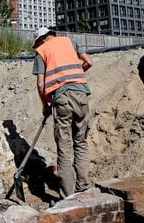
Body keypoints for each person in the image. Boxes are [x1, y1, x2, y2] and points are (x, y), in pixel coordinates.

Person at [31, 26, 93, 198]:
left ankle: (68, 196)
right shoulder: (70, 41)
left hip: (62, 98)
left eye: (37, 43)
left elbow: (40, 84)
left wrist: (45, 105)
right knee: (80, 142)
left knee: (64, 147)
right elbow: (89, 62)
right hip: (81, 94)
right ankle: (84, 187)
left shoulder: (41, 51)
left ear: (41, 39)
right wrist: (72, 77)